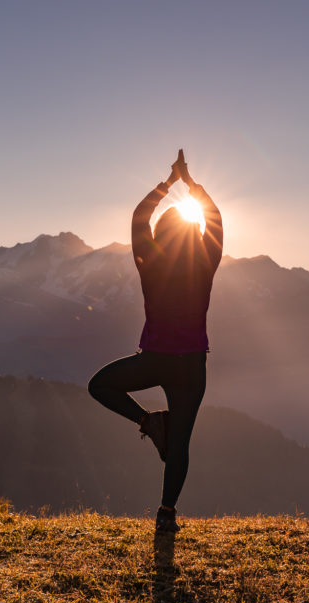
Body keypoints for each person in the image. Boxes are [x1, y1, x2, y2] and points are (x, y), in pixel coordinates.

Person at [88, 149, 223, 533]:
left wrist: (168, 183)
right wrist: (191, 183)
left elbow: (138, 217)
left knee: (100, 385)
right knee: (180, 442)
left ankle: (148, 421)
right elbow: (215, 218)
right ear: (195, 234)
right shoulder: (206, 262)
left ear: (161, 236)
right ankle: (166, 514)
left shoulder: (149, 261)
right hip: (193, 365)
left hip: (155, 359)